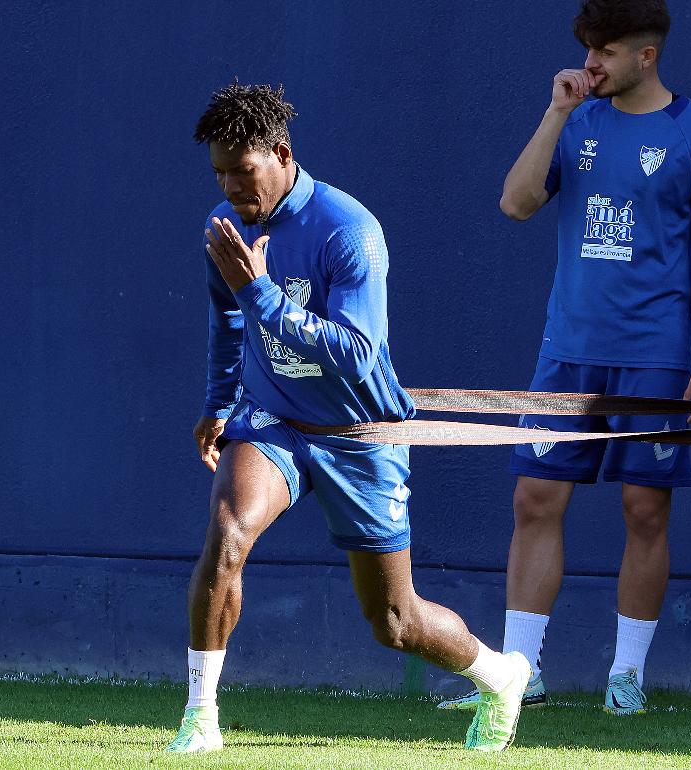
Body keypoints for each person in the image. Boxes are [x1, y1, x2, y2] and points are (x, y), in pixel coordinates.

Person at [166, 83, 530, 753]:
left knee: (395, 622)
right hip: (274, 420)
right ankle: (200, 717)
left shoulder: (349, 231)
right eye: (218, 171)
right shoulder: (226, 224)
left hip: (360, 434)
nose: (229, 186)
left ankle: (501, 677)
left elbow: (359, 356)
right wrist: (219, 402)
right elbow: (226, 317)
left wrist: (263, 296)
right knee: (227, 530)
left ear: (281, 153)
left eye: (241, 170)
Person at [438, 0, 691, 715]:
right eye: (587, 50)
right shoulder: (576, 120)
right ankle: (519, 676)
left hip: (655, 358)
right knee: (534, 498)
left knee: (645, 510)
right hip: (566, 352)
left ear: (646, 55)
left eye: (604, 52)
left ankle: (626, 678)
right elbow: (515, 204)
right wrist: (553, 113)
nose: (589, 64)